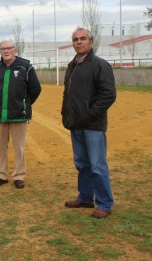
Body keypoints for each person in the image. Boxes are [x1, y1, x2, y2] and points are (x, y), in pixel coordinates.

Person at [62, 28, 116, 219]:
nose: (79, 42)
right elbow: (68, 95)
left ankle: (104, 203)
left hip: (93, 126)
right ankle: (85, 197)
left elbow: (108, 95)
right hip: (76, 124)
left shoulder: (100, 65)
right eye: (75, 39)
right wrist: (66, 114)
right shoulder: (72, 66)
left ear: (90, 42)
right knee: (82, 164)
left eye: (83, 39)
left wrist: (90, 113)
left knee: (97, 165)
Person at [0, 39, 41, 189]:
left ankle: (19, 176)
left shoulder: (26, 67)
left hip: (19, 115)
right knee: (1, 147)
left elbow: (35, 89)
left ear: (15, 50)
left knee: (19, 147)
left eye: (9, 48)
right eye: (3, 49)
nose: (6, 51)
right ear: (0, 51)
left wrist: (24, 104)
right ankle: (1, 175)